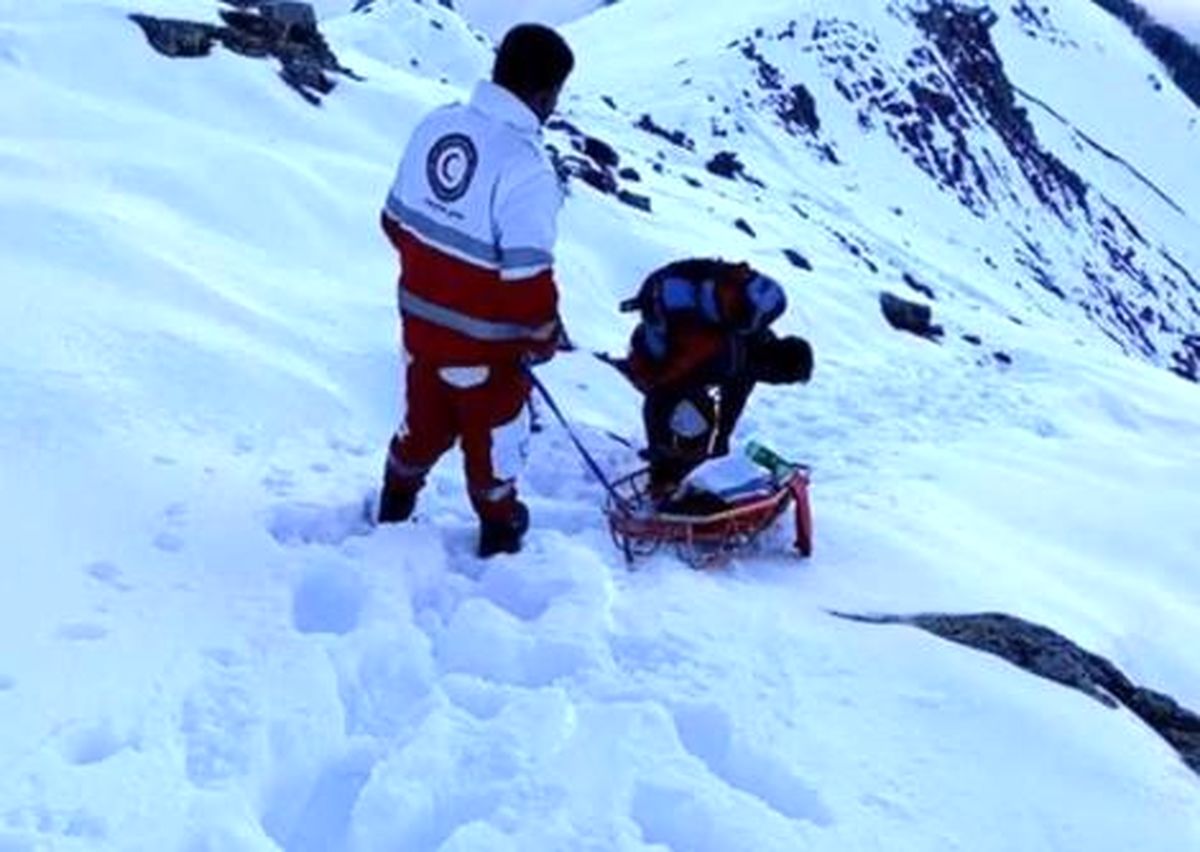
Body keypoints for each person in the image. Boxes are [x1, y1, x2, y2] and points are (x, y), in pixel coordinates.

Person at [376, 24, 574, 557]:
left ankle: (392, 507)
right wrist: (543, 336)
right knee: (495, 444)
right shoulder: (528, 169)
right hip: (488, 350)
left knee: (421, 426)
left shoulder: (434, 125)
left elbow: (393, 222)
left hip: (419, 329)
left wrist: (433, 279)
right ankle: (499, 529)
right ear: (545, 94)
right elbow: (528, 281)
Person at [615, 258, 814, 497]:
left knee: (700, 422)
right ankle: (666, 483)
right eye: (783, 380)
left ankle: (682, 476)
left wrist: (723, 438)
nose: (776, 384)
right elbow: (661, 394)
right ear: (779, 370)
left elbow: (736, 395)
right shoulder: (723, 352)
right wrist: (660, 452)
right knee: (697, 423)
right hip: (663, 369)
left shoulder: (755, 342)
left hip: (681, 366)